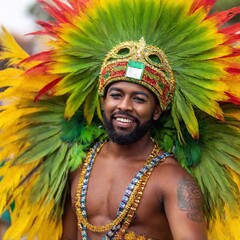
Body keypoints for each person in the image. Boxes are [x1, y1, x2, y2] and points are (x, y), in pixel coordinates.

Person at [0, 0, 240, 240]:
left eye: (139, 98)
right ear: (103, 101)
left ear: (156, 111)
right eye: (116, 95)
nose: (124, 106)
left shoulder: (172, 180)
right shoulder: (77, 167)